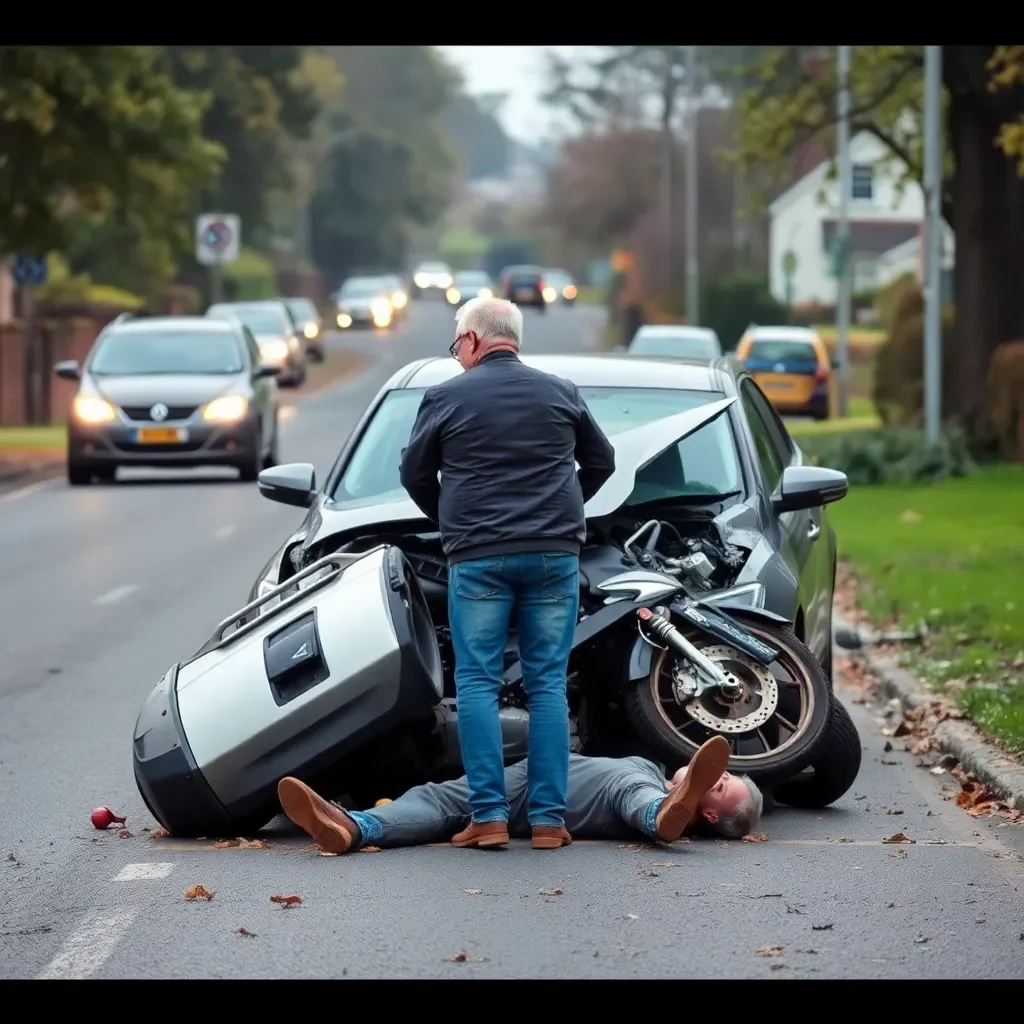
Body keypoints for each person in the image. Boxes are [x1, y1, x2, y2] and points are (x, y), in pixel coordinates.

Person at [398, 296, 616, 851]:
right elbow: (602, 461)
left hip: (478, 558)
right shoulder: (561, 392)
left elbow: (414, 472)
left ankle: (489, 816)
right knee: (547, 685)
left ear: (472, 340)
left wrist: (452, 518)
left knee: (476, 682)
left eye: (456, 344)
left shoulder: (445, 396)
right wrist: (561, 510)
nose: (456, 355)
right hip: (552, 555)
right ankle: (548, 821)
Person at [276, 735, 764, 854]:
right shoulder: (650, 772)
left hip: (541, 785)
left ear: (710, 817)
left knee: (444, 801)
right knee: (443, 805)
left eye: (721, 788)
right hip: (547, 790)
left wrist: (662, 811)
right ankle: (354, 826)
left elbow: (629, 797)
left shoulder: (643, 779)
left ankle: (358, 824)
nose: (720, 779)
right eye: (721, 776)